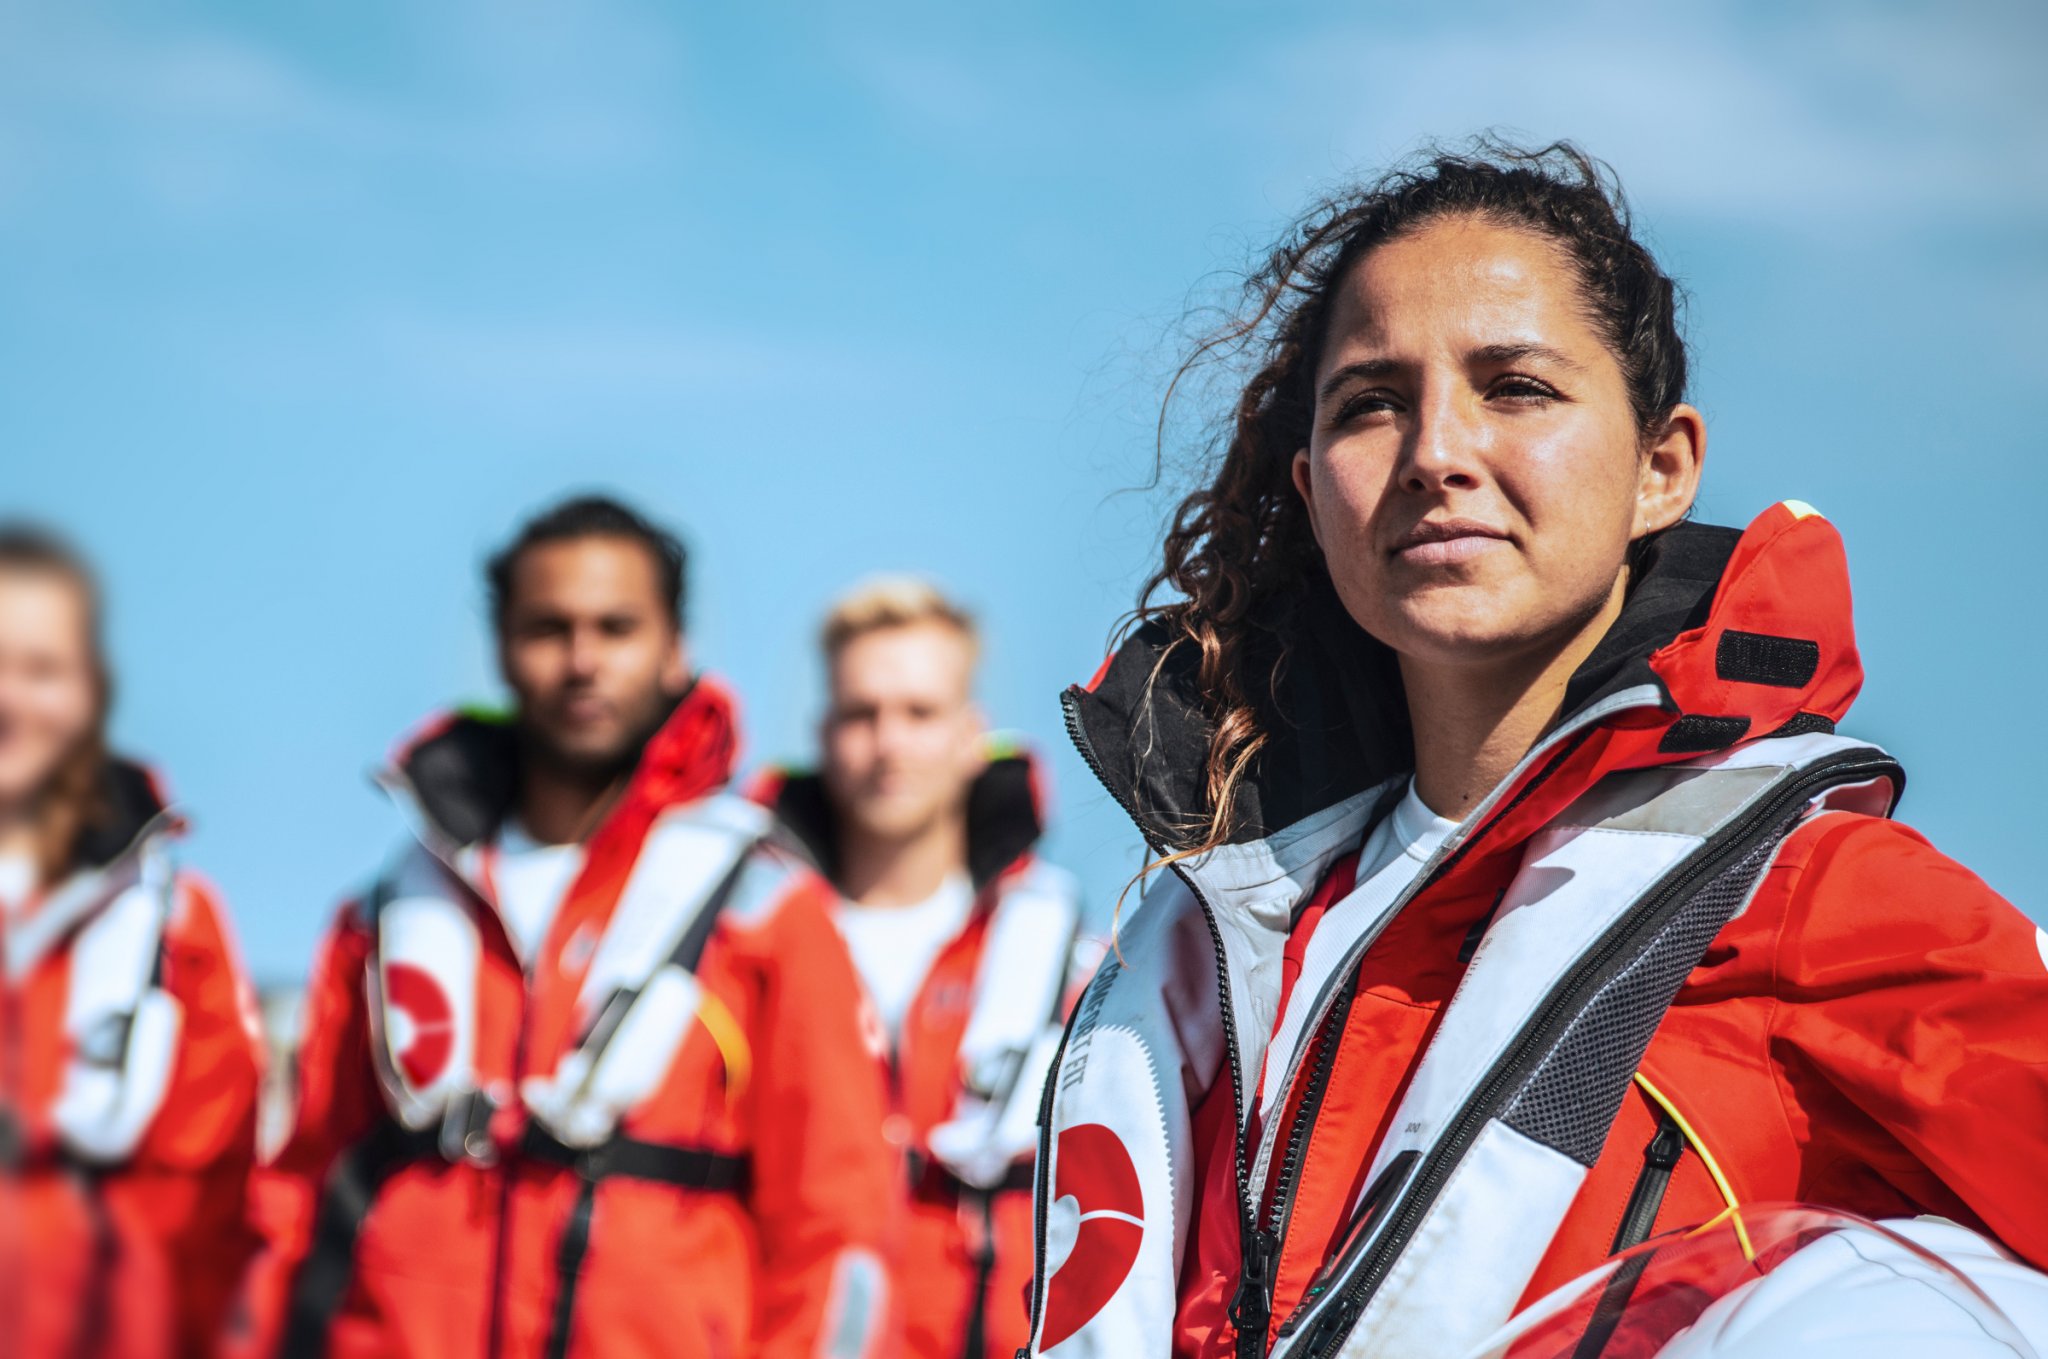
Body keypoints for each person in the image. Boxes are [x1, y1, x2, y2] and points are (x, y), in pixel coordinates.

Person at [1022, 143, 2048, 1359]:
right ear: (1309, 490)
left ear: (1658, 471)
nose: (1435, 452)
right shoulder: (1216, 937)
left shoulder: (1808, 898)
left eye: (1513, 386)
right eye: (1369, 402)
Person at [232, 495, 897, 1359]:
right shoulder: (393, 908)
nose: (582, 660)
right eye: (549, 628)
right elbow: (295, 1199)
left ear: (674, 652)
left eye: (616, 628)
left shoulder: (765, 912)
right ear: (504, 649)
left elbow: (837, 1229)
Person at [752, 578, 1091, 1359]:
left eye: (919, 712)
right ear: (822, 734)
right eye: (860, 714)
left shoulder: (1063, 959)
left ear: (972, 735)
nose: (889, 742)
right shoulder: (747, 944)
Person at [0, 525, 263, 1359]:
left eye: (39, 670)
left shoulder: (174, 922)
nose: (8, 699)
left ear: (91, 690)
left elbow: (215, 1209)